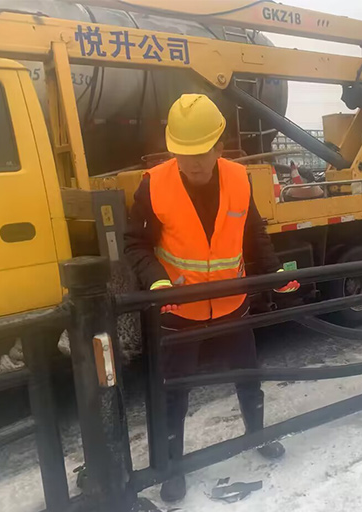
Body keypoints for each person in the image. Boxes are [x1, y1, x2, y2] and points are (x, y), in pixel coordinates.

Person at [124, 94, 299, 502]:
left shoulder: (238, 179)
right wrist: (157, 282)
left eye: (201, 152)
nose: (193, 163)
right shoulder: (154, 184)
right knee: (175, 393)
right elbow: (135, 243)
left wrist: (274, 273)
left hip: (232, 303)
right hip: (179, 309)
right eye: (183, 154)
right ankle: (173, 468)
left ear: (219, 147)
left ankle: (257, 436)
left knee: (249, 377)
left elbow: (253, 233)